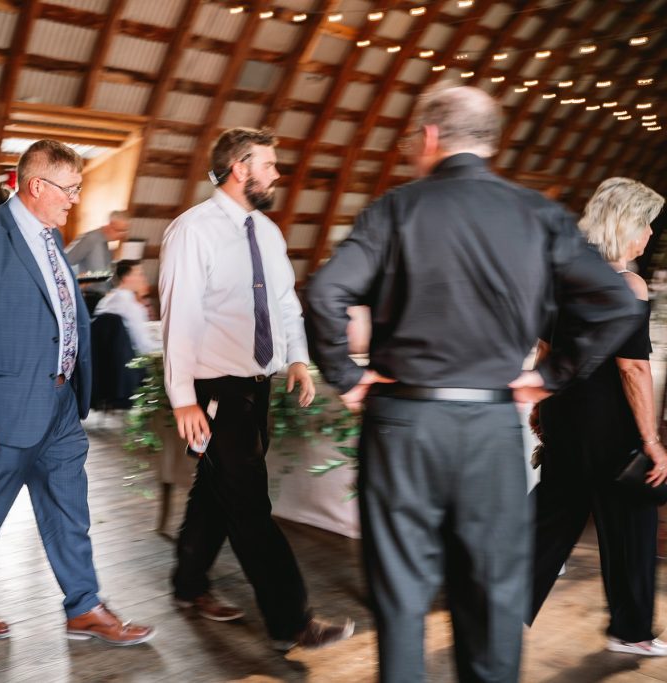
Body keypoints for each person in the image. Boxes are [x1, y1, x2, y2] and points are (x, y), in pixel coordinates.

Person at [305, 85, 641, 682]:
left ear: (430, 137)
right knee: (490, 598)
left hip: (401, 424)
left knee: (402, 599)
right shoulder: (536, 214)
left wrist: (348, 378)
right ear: (490, 144)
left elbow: (327, 294)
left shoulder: (395, 209)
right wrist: (551, 375)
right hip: (489, 426)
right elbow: (615, 305)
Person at [0, 139, 153, 645]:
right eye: (70, 188)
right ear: (36, 185)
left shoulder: (52, 238)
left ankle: (84, 606)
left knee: (69, 510)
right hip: (5, 406)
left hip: (59, 404)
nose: (74, 198)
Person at [159, 127, 354, 651]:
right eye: (269, 164)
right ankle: (291, 621)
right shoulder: (191, 231)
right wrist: (182, 398)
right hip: (212, 384)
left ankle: (187, 584)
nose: (277, 174)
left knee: (216, 488)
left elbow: (285, 302)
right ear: (240, 167)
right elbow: (179, 318)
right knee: (247, 501)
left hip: (256, 383)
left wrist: (296, 357)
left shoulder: (267, 232)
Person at [529, 178, 667, 655]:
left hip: (566, 416)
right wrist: (651, 440)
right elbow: (633, 368)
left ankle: (496, 611)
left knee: (553, 519)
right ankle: (631, 631)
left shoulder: (562, 273)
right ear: (626, 224)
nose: (649, 234)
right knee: (632, 520)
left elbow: (545, 348)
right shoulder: (626, 284)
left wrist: (540, 407)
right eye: (645, 223)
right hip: (610, 426)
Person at [94, 260, 158, 355]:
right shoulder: (132, 307)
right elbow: (145, 347)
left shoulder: (103, 302)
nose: (143, 278)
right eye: (140, 274)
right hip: (131, 362)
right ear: (126, 278)